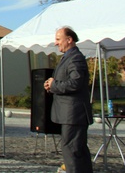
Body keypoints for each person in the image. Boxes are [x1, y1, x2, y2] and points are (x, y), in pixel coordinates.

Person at [44, 27, 93, 173]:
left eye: (58, 39)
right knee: (77, 152)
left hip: (73, 114)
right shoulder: (68, 57)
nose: (55, 43)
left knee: (73, 153)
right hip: (69, 114)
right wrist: (51, 86)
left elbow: (75, 83)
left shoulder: (75, 58)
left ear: (69, 39)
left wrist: (55, 85)